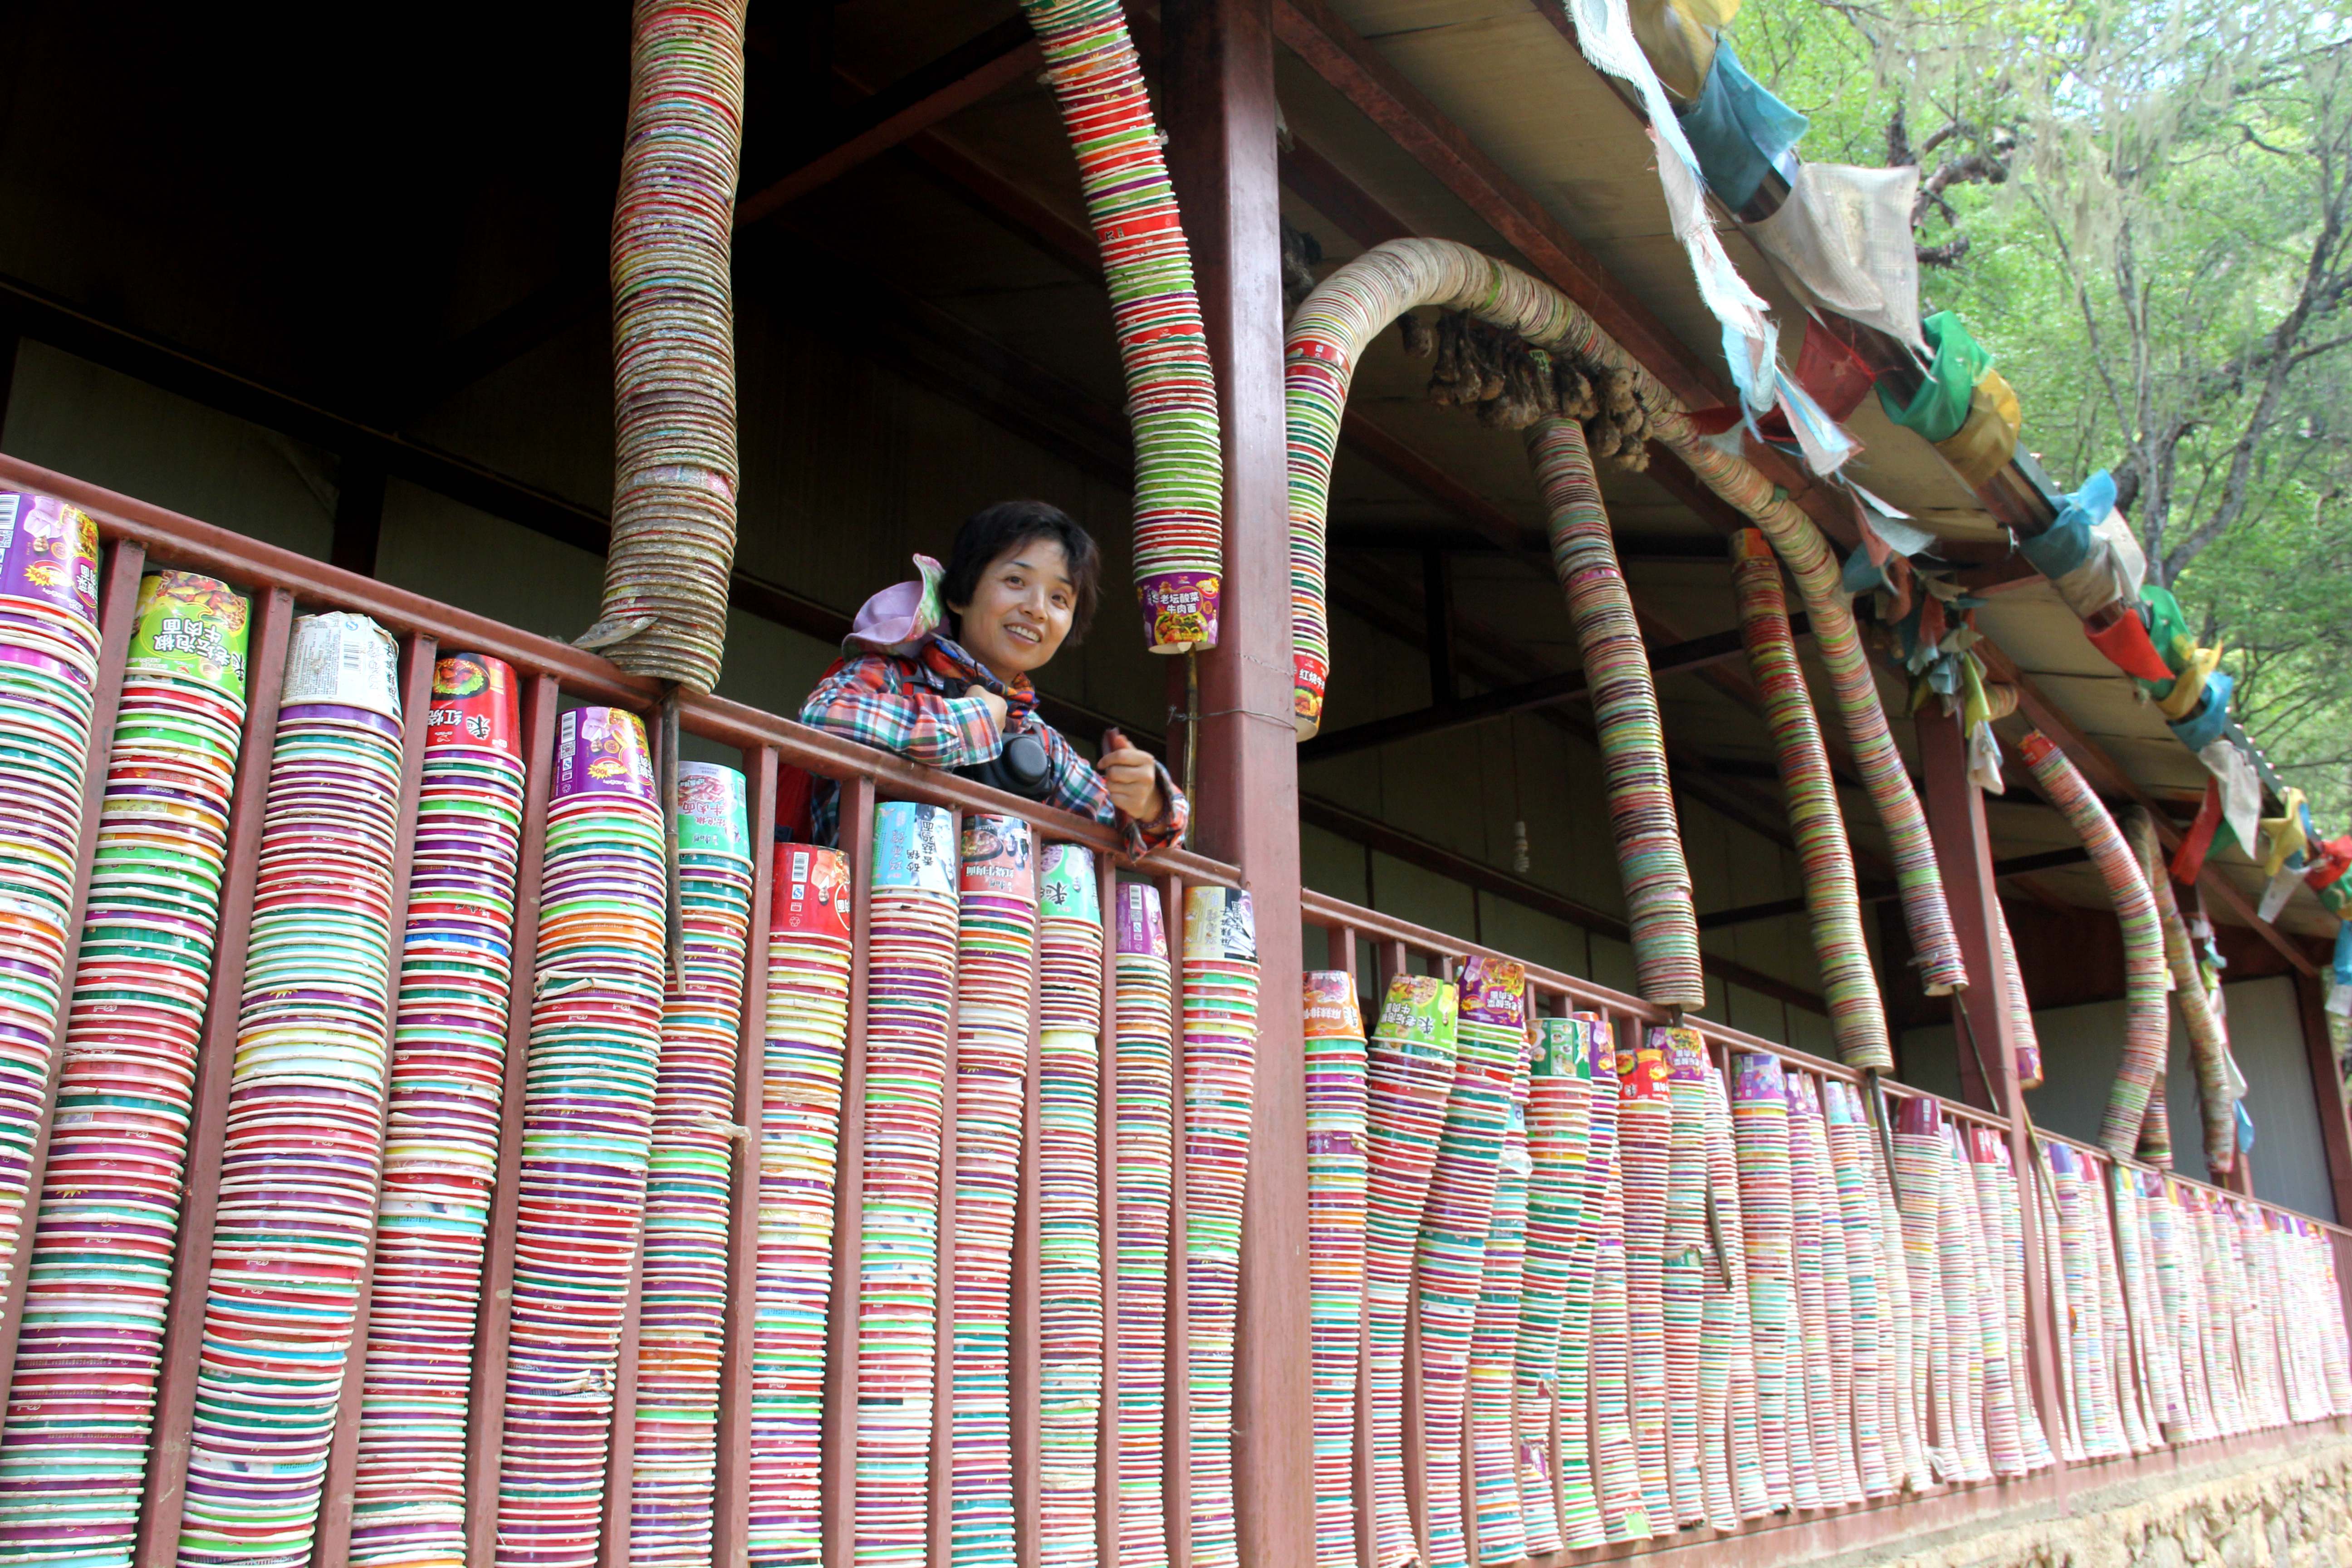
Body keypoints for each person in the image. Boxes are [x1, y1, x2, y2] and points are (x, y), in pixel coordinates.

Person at [798, 499, 1188, 853]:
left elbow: (1133, 826)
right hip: (861, 909)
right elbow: (820, 717)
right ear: (959, 595)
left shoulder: (1039, 739)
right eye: (1016, 581)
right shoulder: (893, 673)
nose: (1037, 609)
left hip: (986, 915)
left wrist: (1149, 802)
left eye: (1059, 598)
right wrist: (969, 722)